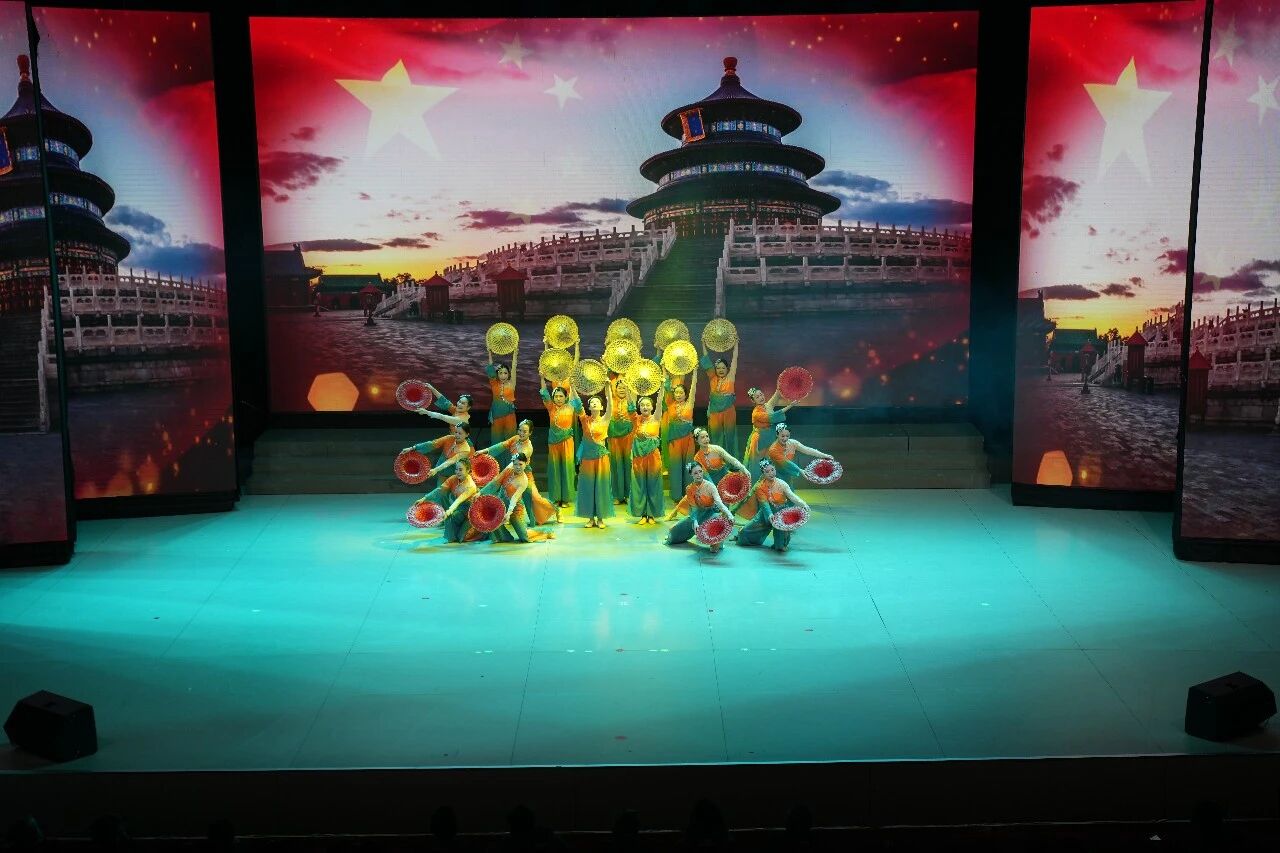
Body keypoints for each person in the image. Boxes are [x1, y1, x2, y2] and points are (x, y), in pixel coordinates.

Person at [478, 419, 559, 525]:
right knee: (504, 493)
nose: (521, 433)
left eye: (524, 431)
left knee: (535, 498)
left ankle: (555, 509)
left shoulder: (528, 448)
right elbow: (502, 445)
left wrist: (505, 472)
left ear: (530, 433)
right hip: (512, 471)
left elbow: (517, 463)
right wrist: (484, 451)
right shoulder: (515, 438)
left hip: (524, 474)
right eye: (520, 430)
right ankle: (503, 516)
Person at [736, 459, 809, 553]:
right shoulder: (760, 487)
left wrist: (803, 504)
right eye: (767, 472)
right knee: (745, 531)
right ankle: (741, 537)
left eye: (772, 470)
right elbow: (764, 504)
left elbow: (792, 496)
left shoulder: (781, 483)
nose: (771, 473)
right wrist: (770, 514)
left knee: (780, 544)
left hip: (781, 512)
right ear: (763, 474)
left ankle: (780, 544)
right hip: (766, 512)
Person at [483, 453, 555, 543]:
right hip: (501, 504)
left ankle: (546, 531)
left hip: (515, 509)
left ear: (526, 463)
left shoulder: (523, 481)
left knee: (524, 537)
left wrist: (509, 513)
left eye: (520, 464)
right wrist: (480, 493)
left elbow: (514, 498)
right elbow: (496, 481)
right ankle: (505, 537)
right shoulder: (509, 469)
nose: (517, 467)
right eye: (515, 464)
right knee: (491, 517)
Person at [665, 461, 734, 554]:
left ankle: (716, 543)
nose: (699, 475)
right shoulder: (689, 488)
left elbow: (719, 503)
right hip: (698, 514)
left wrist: (729, 515)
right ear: (691, 475)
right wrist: (695, 522)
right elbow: (693, 508)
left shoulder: (710, 486)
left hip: (712, 514)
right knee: (674, 533)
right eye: (695, 473)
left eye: (700, 471)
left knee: (716, 533)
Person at [574, 387, 614, 528]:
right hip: (587, 459)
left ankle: (601, 518)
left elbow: (611, 404)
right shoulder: (585, 419)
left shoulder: (605, 420)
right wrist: (572, 387)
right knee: (588, 486)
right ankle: (590, 517)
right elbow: (577, 403)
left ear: (601, 407)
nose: (594, 403)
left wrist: (608, 388)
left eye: (597, 402)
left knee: (601, 487)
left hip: (601, 458)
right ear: (589, 407)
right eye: (592, 402)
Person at [413, 457, 479, 543]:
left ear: (468, 470)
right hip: (458, 507)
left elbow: (459, 500)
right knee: (446, 506)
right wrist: (424, 499)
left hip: (469, 510)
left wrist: (449, 511)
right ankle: (451, 538)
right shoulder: (453, 478)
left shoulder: (471, 486)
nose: (457, 472)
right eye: (456, 469)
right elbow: (439, 490)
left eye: (460, 470)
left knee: (462, 536)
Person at [627, 388, 664, 525]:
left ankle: (652, 514)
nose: (645, 407)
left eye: (648, 405)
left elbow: (660, 402)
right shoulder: (635, 419)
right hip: (639, 458)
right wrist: (628, 388)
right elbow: (630, 405)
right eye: (642, 405)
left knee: (653, 485)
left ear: (652, 407)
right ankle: (643, 514)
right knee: (639, 485)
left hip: (653, 457)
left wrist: (662, 386)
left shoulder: (656, 418)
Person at [539, 378, 578, 506]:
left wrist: (572, 386)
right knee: (555, 469)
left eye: (561, 396)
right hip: (553, 442)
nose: (558, 398)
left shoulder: (570, 406)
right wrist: (542, 378)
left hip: (567, 442)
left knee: (567, 469)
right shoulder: (551, 407)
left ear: (565, 397)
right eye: (556, 396)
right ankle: (556, 498)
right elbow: (544, 392)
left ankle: (566, 499)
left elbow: (574, 396)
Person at [404, 422, 473, 493]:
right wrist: (413, 448)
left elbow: (450, 461)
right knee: (440, 493)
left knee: (453, 494)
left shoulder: (466, 449)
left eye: (460, 433)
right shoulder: (449, 438)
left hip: (455, 474)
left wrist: (435, 470)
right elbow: (433, 444)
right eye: (456, 432)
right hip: (442, 472)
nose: (457, 435)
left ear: (467, 434)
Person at [743, 385, 798, 469]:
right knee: (761, 462)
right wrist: (790, 405)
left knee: (773, 459)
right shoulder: (756, 413)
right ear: (753, 400)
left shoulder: (766, 406)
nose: (761, 397)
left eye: (761, 394)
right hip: (761, 438)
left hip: (770, 435)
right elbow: (772, 417)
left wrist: (781, 386)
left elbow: (775, 397)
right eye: (757, 397)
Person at [664, 369, 698, 503]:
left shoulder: (689, 403)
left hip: (688, 440)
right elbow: (666, 386)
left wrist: (695, 371)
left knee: (688, 465)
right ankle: (677, 496)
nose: (678, 395)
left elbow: (693, 387)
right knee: (675, 467)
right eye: (676, 392)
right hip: (674, 441)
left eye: (681, 392)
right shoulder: (670, 403)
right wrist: (664, 370)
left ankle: (688, 494)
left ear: (685, 394)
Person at [764, 423, 835, 487]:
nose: (785, 438)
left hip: (788, 474)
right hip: (775, 475)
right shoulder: (773, 449)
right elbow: (786, 463)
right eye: (782, 436)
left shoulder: (792, 443)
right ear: (777, 435)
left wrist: (824, 455)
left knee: (789, 492)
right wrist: (800, 470)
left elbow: (807, 450)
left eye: (787, 436)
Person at [700, 342, 739, 458]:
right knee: (715, 436)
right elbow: (707, 361)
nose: (720, 370)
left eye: (723, 368)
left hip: (728, 412)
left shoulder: (730, 378)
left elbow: (734, 360)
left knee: (730, 436)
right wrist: (703, 344)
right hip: (714, 412)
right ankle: (715, 459)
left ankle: (730, 460)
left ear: (727, 369)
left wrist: (736, 345)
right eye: (718, 368)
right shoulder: (713, 378)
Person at [607, 373, 633, 505]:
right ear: (615, 389)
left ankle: (628, 494)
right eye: (619, 388)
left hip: (628, 437)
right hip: (614, 437)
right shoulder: (612, 400)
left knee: (628, 465)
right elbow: (608, 389)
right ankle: (617, 495)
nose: (622, 390)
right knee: (616, 465)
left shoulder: (631, 400)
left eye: (624, 388)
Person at [485, 347, 518, 444]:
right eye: (500, 373)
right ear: (497, 374)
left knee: (511, 440)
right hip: (496, 416)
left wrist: (515, 353)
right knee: (496, 440)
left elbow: (514, 367)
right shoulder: (494, 383)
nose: (503, 376)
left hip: (510, 416)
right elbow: (490, 367)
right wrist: (489, 353)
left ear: (508, 374)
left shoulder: (512, 384)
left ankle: (511, 454)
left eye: (505, 373)